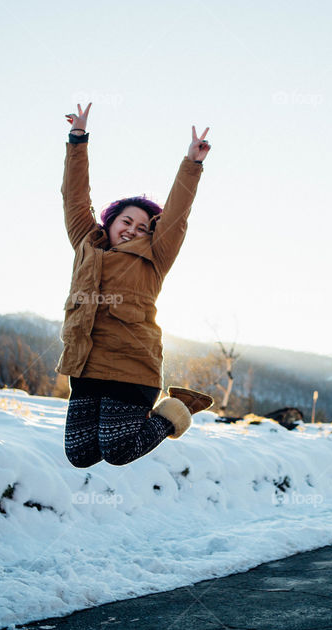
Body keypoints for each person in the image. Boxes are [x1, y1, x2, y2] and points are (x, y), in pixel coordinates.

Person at [57, 102, 215, 468]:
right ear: (110, 222)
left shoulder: (156, 255)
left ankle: (180, 407)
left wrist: (192, 164)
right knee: (80, 456)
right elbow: (74, 197)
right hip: (86, 367)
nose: (132, 230)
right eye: (126, 221)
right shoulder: (86, 244)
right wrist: (77, 141)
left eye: (142, 227)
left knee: (118, 451)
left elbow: (176, 215)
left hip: (132, 368)